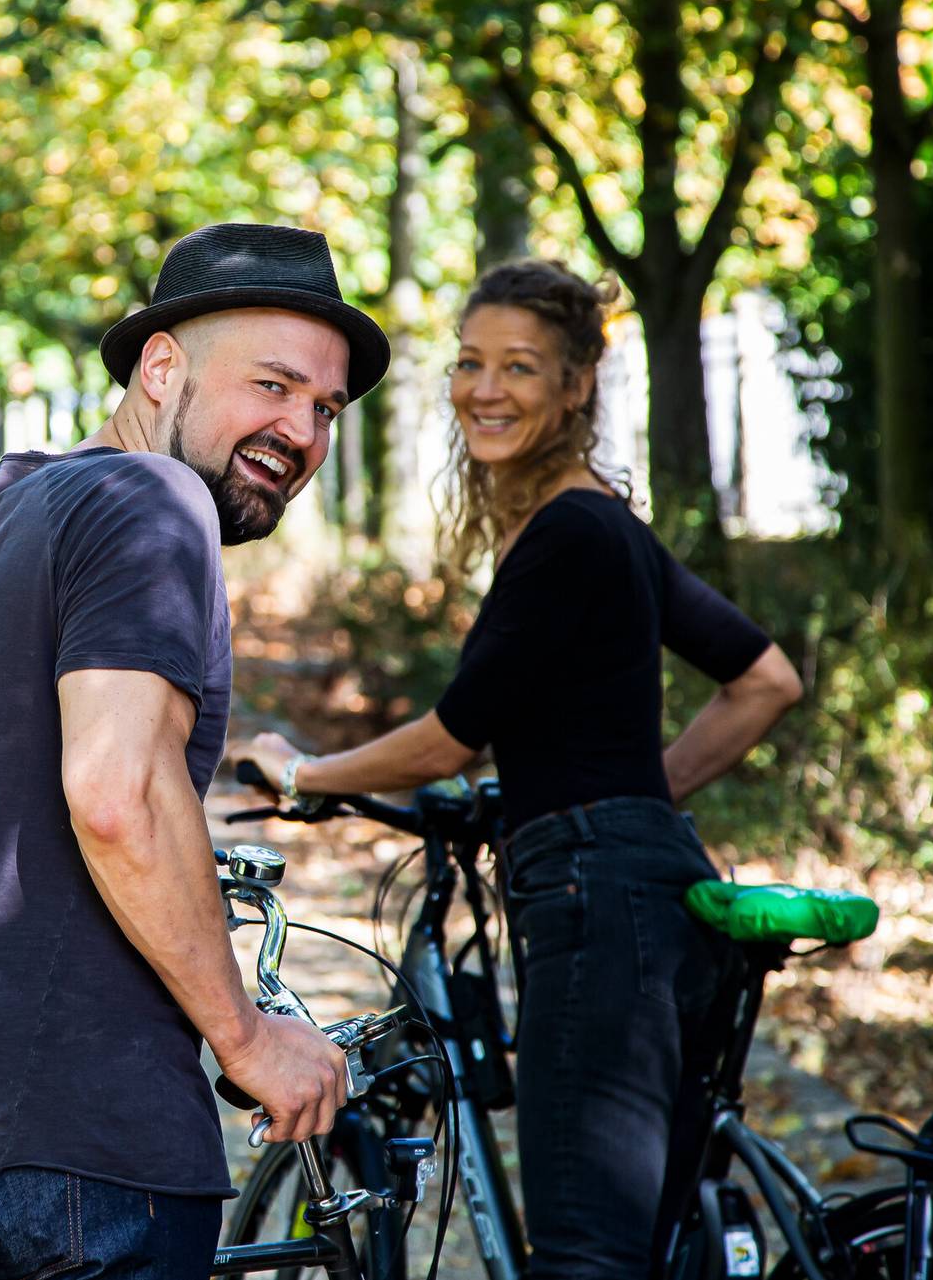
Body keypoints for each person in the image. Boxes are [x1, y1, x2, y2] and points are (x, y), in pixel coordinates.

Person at [0, 223, 387, 1277]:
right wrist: (247, 1039)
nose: (300, 429)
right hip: (83, 1147)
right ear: (162, 367)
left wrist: (5, 824)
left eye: (325, 408)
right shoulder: (154, 501)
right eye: (274, 385)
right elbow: (117, 794)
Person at [233, 259, 805, 1280]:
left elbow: (454, 737)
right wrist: (638, 798)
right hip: (661, 885)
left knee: (584, 1252)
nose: (484, 387)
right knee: (650, 1246)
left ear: (578, 384)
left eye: (520, 366)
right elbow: (765, 678)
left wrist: (305, 770)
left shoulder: (569, 534)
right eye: (468, 362)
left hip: (594, 898)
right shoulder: (607, 526)